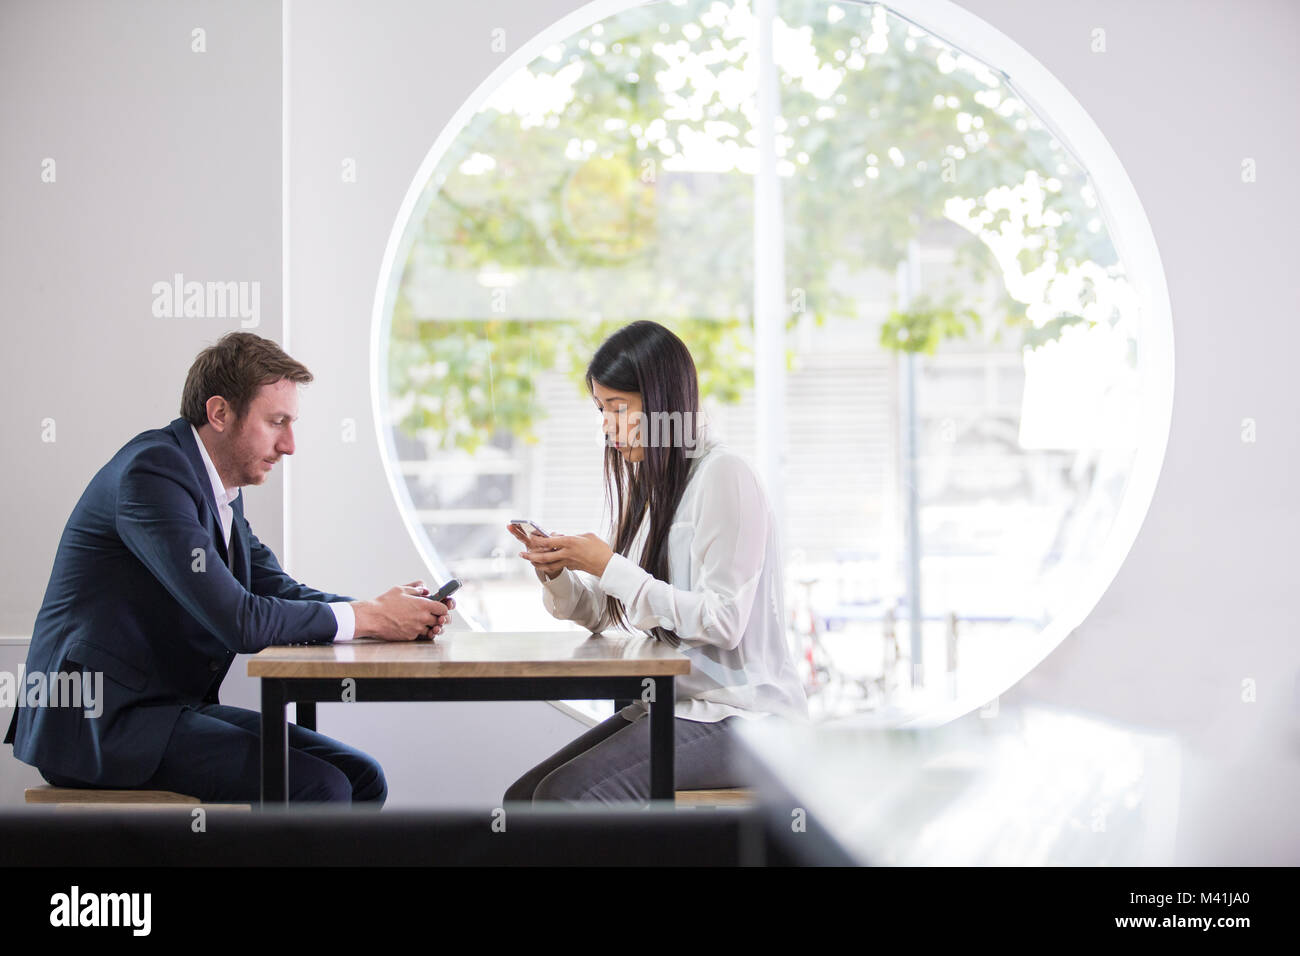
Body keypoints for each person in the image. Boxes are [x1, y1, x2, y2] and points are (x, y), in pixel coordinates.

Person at [4, 332, 454, 804]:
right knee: (320, 787)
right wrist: (371, 618)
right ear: (219, 413)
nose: (290, 445)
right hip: (100, 724)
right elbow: (239, 620)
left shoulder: (216, 491)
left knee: (360, 776)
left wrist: (388, 614)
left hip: (160, 710)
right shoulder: (153, 474)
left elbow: (275, 588)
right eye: (277, 422)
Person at [503, 320, 808, 804]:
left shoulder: (724, 475)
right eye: (601, 409)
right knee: (523, 800)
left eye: (617, 408)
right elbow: (606, 613)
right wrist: (558, 572)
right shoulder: (653, 485)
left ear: (664, 404)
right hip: (680, 707)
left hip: (745, 718)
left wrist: (609, 566)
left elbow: (723, 621)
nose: (606, 425)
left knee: (562, 800)